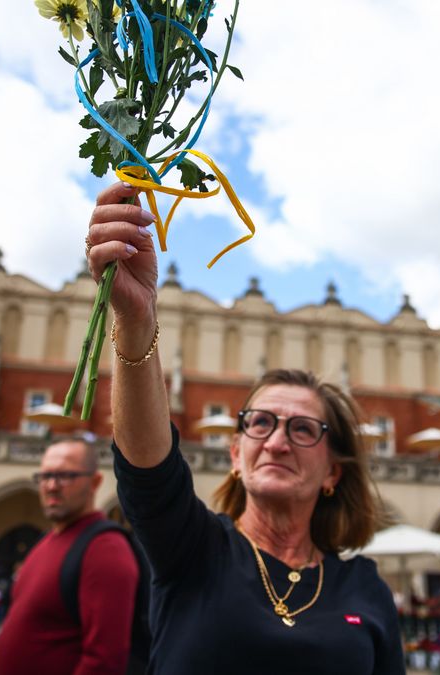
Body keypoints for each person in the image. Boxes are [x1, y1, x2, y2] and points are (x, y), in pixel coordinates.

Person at [86, 180, 405, 673]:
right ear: (235, 455)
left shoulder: (364, 588)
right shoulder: (194, 550)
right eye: (259, 424)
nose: (277, 442)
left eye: (302, 429)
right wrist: (136, 317)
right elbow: (147, 465)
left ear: (333, 473)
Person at [0, 439, 140, 674]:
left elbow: (105, 659)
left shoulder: (104, 548)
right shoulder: (47, 541)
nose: (51, 485)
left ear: (95, 481)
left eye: (65, 475)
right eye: (45, 476)